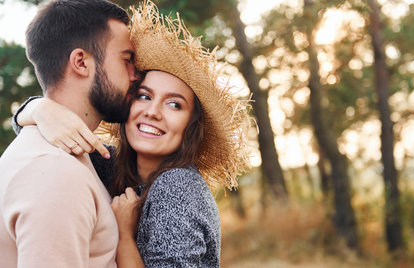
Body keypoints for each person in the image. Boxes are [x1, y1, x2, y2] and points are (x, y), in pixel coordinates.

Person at [12, 1, 252, 267]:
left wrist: (123, 235)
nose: (153, 112)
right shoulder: (113, 166)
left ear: (191, 125)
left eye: (174, 104)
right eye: (144, 95)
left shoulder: (176, 186)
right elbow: (60, 136)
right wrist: (39, 109)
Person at [0, 0, 138, 267]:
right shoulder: (54, 172)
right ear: (81, 62)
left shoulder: (54, 152)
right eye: (127, 59)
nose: (135, 75)